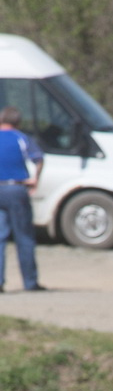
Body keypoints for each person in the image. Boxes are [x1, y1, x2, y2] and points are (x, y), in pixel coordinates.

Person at [0, 106, 44, 293]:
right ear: (17, 122)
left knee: (0, 237)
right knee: (24, 236)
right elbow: (39, 158)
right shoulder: (21, 138)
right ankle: (30, 281)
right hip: (17, 188)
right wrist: (35, 180)